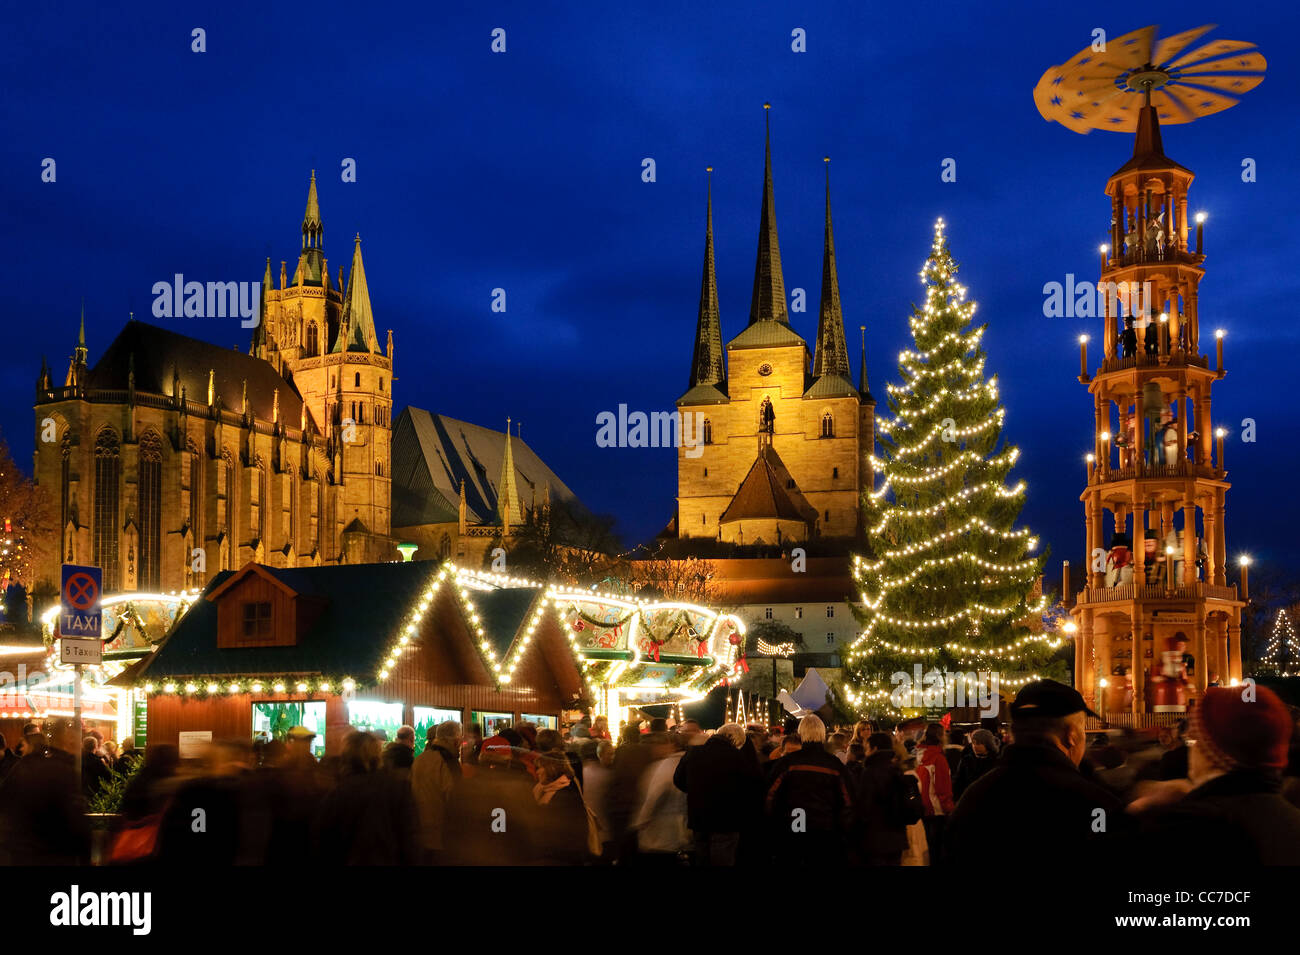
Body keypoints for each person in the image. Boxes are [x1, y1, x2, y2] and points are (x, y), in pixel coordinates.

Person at [945, 680, 1125, 866]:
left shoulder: (974, 798)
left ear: (1014, 732)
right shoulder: (1094, 804)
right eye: (1083, 729)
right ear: (1071, 735)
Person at [1131, 685, 1300, 864]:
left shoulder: (1194, 825)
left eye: (1194, 739)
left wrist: (1137, 810)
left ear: (1212, 749)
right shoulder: (1291, 819)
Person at [313, 731, 415, 865]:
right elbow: (410, 839)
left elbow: (323, 841)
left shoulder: (337, 793)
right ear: (377, 754)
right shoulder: (397, 789)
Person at [764, 715, 854, 867]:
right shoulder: (834, 765)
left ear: (800, 733)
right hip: (826, 830)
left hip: (794, 826)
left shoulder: (788, 763)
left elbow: (770, 796)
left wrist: (773, 824)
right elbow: (848, 800)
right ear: (822, 734)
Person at [0, 718, 91, 864]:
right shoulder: (63, 771)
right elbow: (75, 822)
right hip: (52, 855)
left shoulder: (24, 767)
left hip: (20, 853)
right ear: (69, 741)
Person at [673, 722, 763, 866]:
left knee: (702, 859)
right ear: (735, 740)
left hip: (698, 817)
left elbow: (678, 779)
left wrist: (696, 791)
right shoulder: (737, 757)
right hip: (726, 820)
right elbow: (749, 786)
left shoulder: (694, 752)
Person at [443, 735, 539, 865]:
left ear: (481, 758)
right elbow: (530, 823)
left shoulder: (465, 786)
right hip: (509, 854)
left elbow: (453, 824)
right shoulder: (520, 785)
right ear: (508, 760)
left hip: (473, 855)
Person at [854, 732, 919, 865]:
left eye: (867, 748)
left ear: (875, 749)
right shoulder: (896, 770)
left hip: (876, 840)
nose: (865, 753)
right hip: (896, 839)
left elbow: (864, 808)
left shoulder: (870, 772)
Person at [631, 733, 690, 865]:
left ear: (671, 745)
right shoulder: (689, 763)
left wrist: (641, 822)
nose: (654, 749)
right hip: (682, 831)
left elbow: (654, 796)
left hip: (660, 834)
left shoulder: (665, 767)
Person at [411, 720, 462, 864]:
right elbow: (455, 799)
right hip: (441, 836)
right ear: (455, 741)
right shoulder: (448, 762)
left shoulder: (419, 759)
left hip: (420, 834)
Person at [915, 724, 954, 861]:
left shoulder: (918, 755)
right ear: (940, 736)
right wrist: (949, 808)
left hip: (922, 807)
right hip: (937, 810)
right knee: (936, 851)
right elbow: (942, 787)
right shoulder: (938, 758)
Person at [953, 729, 998, 800]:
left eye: (978, 743)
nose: (975, 746)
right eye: (973, 743)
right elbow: (958, 782)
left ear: (987, 744)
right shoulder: (967, 760)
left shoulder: (996, 761)